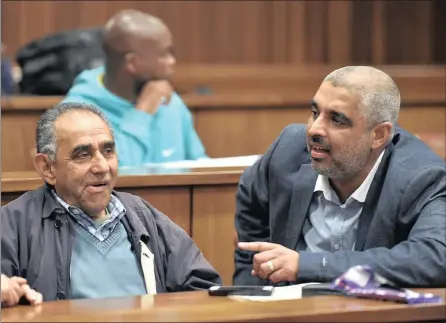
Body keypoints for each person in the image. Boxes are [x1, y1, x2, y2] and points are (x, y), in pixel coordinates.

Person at [233, 66, 446, 288]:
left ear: (378, 135)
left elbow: (436, 257)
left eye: (337, 120)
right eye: (315, 113)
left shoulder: (421, 177)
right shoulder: (287, 151)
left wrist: (310, 265)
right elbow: (251, 204)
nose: (315, 130)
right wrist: (252, 292)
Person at [1, 101, 221, 306]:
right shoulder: (13, 224)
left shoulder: (144, 217)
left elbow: (204, 290)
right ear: (47, 168)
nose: (102, 167)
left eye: (108, 151)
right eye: (83, 155)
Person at [64, 9, 207, 166]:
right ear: (132, 63)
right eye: (165, 54)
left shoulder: (169, 101)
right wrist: (143, 112)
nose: (172, 62)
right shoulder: (76, 114)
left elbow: (199, 163)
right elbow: (113, 173)